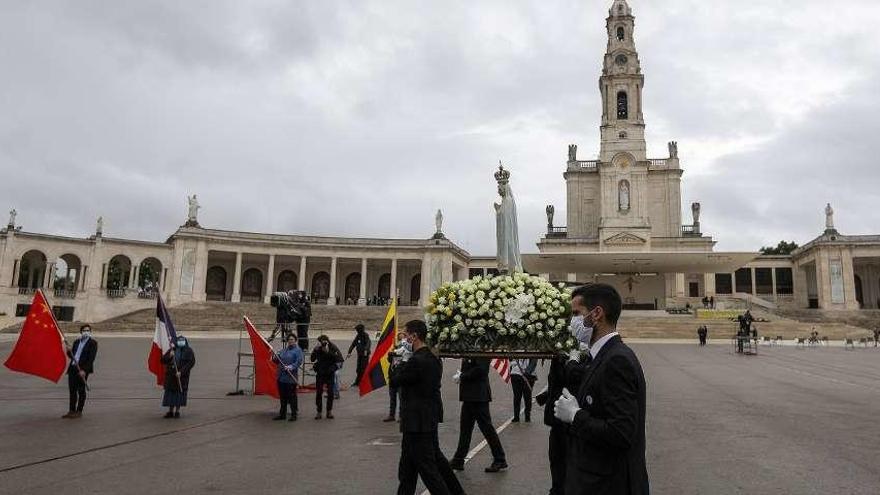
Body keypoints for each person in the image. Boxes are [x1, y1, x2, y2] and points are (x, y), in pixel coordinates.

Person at [553, 283, 649, 494]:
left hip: (609, 484)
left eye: (577, 313)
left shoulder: (617, 360)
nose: (573, 321)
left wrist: (575, 416)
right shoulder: (603, 355)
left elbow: (621, 433)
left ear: (597, 314)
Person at [390, 320, 464, 495]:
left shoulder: (416, 361)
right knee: (408, 468)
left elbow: (395, 381)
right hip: (426, 418)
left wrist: (396, 363)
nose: (405, 339)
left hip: (417, 422)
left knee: (428, 470)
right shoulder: (433, 358)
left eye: (406, 335)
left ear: (414, 336)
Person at [449, 357, 507, 473]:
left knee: (487, 429)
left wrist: (462, 376)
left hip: (478, 396)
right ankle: (458, 459)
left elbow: (482, 369)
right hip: (470, 395)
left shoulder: (480, 346)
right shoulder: (471, 346)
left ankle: (500, 459)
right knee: (465, 428)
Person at [62, 325, 98, 419]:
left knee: (81, 390)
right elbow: (72, 355)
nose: (86, 332)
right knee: (72, 390)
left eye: (88, 330)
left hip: (82, 370)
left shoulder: (93, 343)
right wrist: (68, 350)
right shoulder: (77, 341)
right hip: (73, 368)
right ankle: (71, 410)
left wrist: (84, 370)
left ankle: (79, 411)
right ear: (81, 331)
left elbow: (91, 359)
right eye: (84, 330)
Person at [161, 335, 196, 418]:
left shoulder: (189, 351)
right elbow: (163, 360)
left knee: (179, 394)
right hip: (171, 377)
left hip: (182, 377)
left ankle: (177, 411)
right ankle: (170, 411)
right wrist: (169, 356)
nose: (181, 342)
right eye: (179, 340)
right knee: (171, 394)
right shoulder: (172, 349)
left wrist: (181, 372)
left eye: (182, 340)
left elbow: (191, 363)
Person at [311, 335, 343, 419]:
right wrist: (315, 350)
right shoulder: (318, 348)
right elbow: (312, 359)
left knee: (330, 393)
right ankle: (319, 411)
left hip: (330, 373)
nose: (323, 343)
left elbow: (339, 360)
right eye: (321, 342)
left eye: (324, 341)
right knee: (318, 392)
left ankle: (329, 411)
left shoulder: (333, 347)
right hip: (320, 373)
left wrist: (328, 352)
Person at [272, 335, 303, 421]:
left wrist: (291, 367)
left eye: (292, 339)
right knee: (283, 397)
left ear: (295, 340)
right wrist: (274, 356)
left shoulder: (298, 351)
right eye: (289, 339)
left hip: (291, 378)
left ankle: (294, 414)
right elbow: (276, 361)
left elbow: (299, 362)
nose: (290, 341)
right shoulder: (284, 350)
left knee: (292, 397)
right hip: (281, 377)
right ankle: (282, 414)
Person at [385, 332, 411, 422]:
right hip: (392, 375)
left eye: (402, 339)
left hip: (400, 377)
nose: (401, 341)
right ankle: (391, 415)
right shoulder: (395, 348)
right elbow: (390, 361)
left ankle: (401, 415)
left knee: (401, 398)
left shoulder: (407, 351)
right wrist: (390, 355)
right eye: (399, 339)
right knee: (392, 398)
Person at [509, 358, 537, 423]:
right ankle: (516, 416)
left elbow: (534, 361)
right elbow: (510, 358)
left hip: (528, 376)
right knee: (517, 397)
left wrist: (527, 372)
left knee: (527, 397)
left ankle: (527, 416)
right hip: (516, 374)